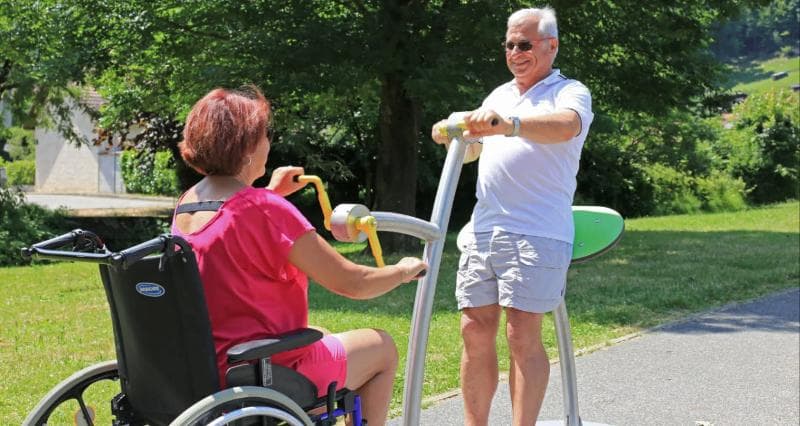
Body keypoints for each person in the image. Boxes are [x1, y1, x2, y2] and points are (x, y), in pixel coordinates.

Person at [172, 86, 427, 425]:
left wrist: (268, 192)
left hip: (202, 366)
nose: (268, 143)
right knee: (381, 347)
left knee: (319, 330)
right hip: (258, 373)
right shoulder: (265, 210)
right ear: (246, 147)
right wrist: (402, 270)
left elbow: (231, 228)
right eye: (265, 135)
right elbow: (353, 283)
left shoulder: (187, 203)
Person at [431, 7, 594, 426]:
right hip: (484, 230)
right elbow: (472, 151)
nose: (516, 52)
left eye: (525, 44)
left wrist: (512, 124)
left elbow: (566, 126)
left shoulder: (570, 91)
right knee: (473, 330)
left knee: (521, 334)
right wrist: (451, 137)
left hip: (537, 232)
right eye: (509, 45)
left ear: (551, 46)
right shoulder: (498, 96)